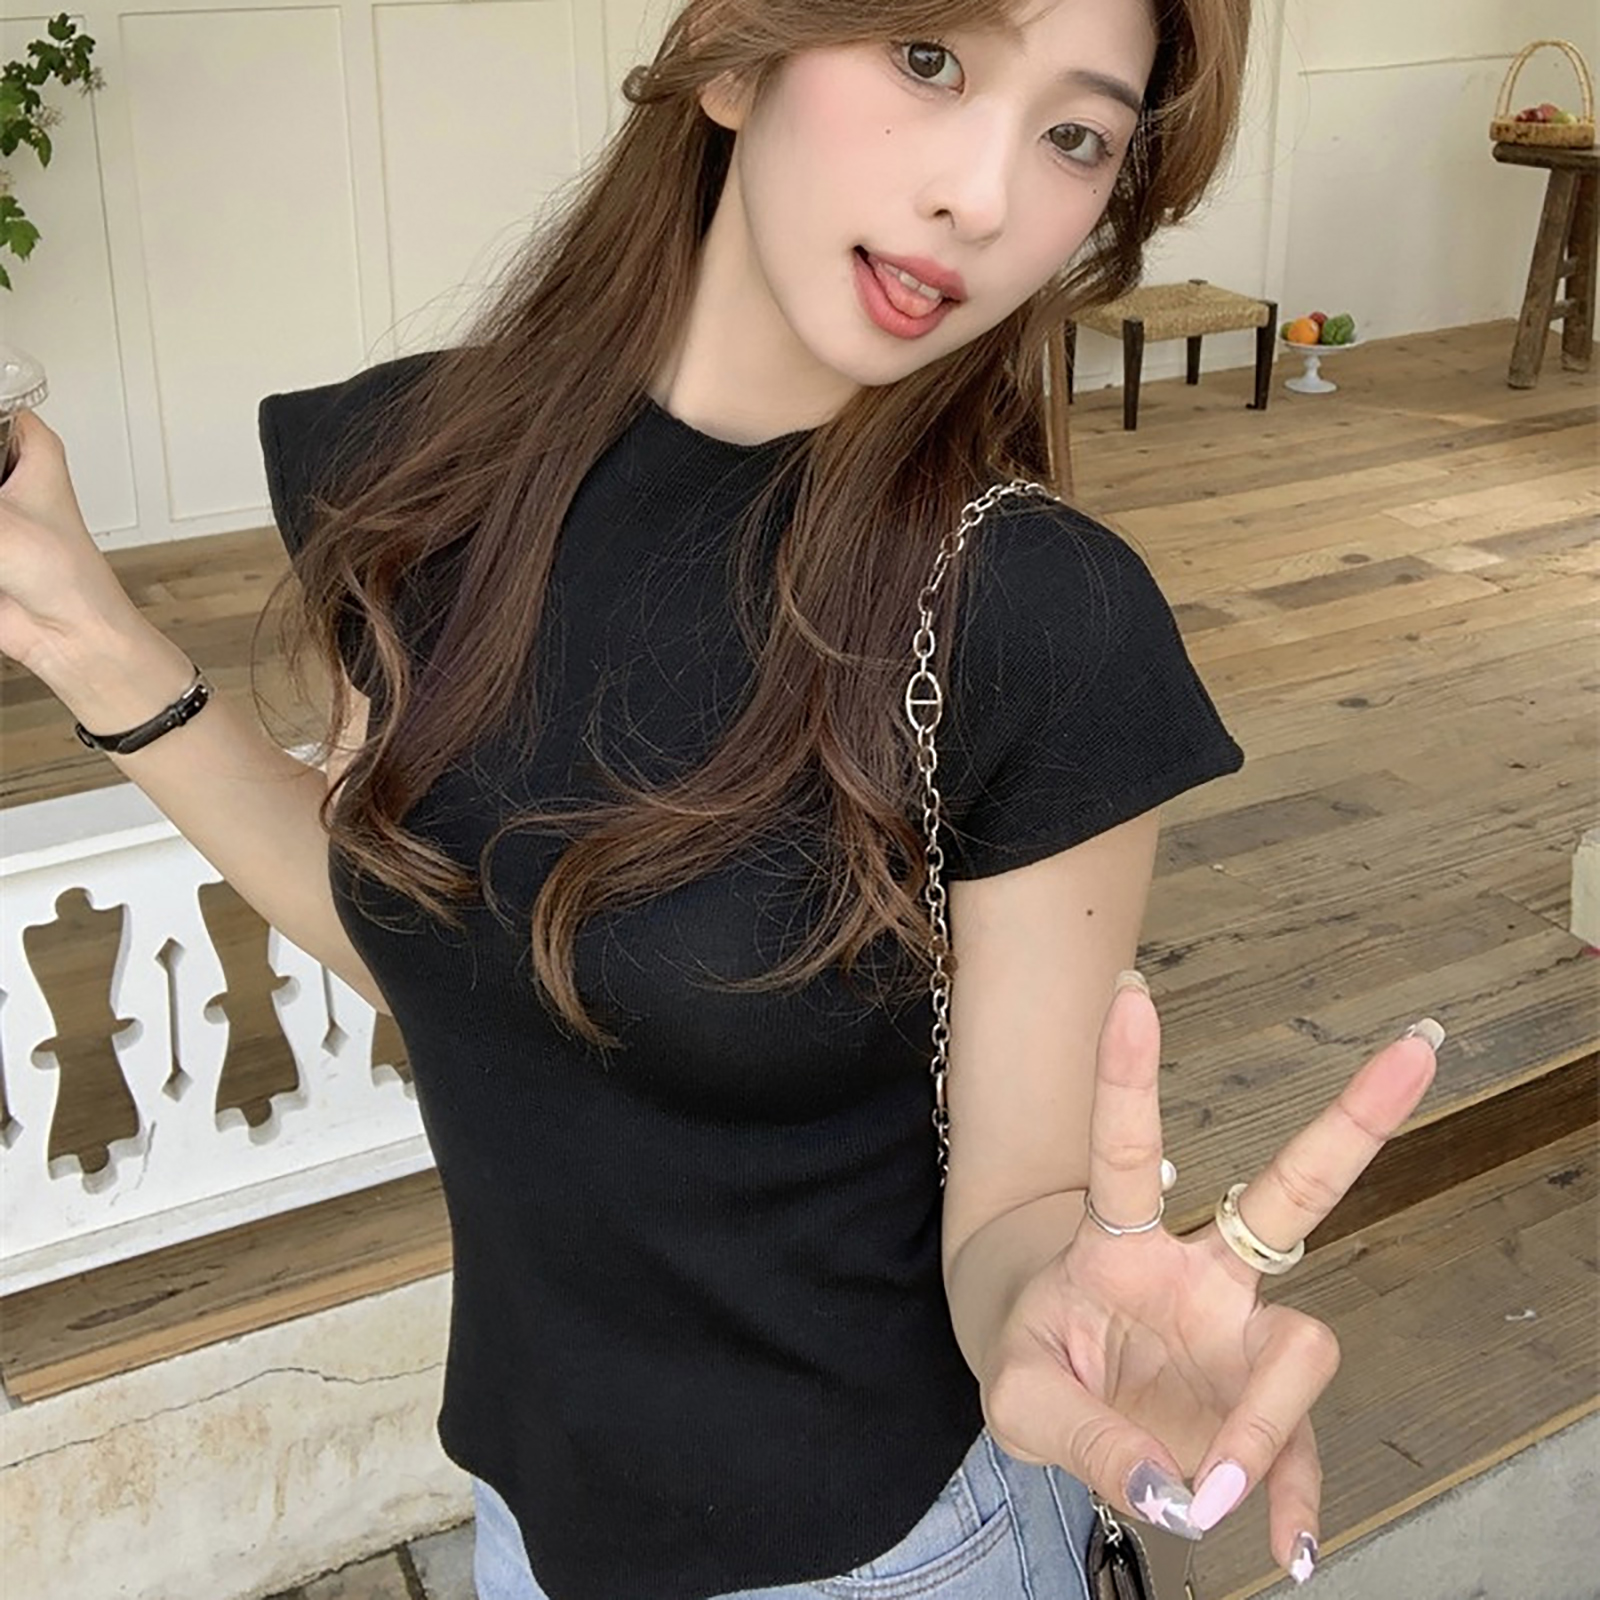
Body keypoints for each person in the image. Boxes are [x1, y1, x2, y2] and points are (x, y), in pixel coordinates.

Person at [0, 1, 1441, 1597]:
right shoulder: (415, 470)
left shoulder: (1033, 618)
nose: (981, 195)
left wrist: (1064, 1308)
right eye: (929, 59)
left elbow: (1014, 1211)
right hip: (528, 1522)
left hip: (887, 1558)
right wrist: (80, 632)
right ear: (741, 54)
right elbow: (417, 927)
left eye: (1075, 135)